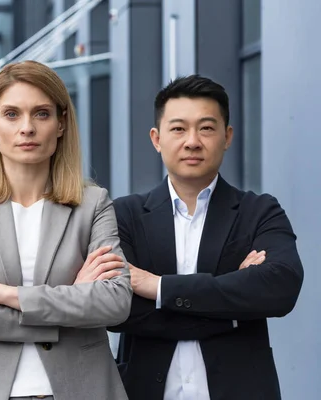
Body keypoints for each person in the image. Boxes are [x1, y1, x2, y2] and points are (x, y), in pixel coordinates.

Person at [0, 60, 133, 400]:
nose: (27, 128)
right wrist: (69, 304)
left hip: (81, 388)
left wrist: (0, 293)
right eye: (12, 114)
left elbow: (114, 302)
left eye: (41, 113)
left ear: (61, 124)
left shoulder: (93, 204)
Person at [109, 75, 304, 400]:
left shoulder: (258, 211)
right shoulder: (124, 215)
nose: (192, 141)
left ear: (227, 136)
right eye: (178, 129)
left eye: (207, 128)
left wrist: (158, 288)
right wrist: (232, 309)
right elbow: (117, 311)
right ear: (156, 139)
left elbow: (281, 287)